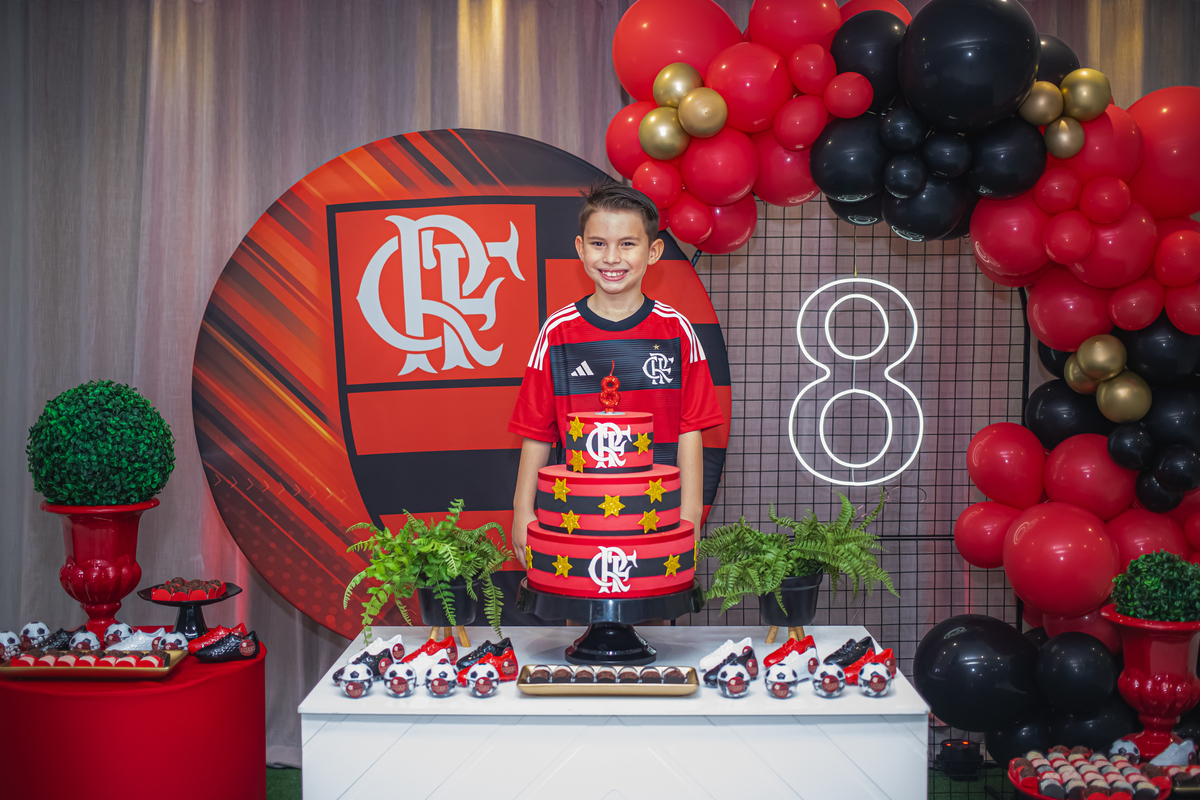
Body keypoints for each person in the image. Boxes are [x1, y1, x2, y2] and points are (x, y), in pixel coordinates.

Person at [507, 179, 724, 566]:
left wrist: (690, 518)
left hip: (657, 513)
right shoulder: (557, 331)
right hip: (577, 515)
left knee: (652, 599)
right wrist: (522, 510)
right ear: (580, 248)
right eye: (598, 243)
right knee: (578, 598)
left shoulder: (676, 330)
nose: (611, 258)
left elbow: (690, 430)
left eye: (627, 244)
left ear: (653, 251)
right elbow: (536, 431)